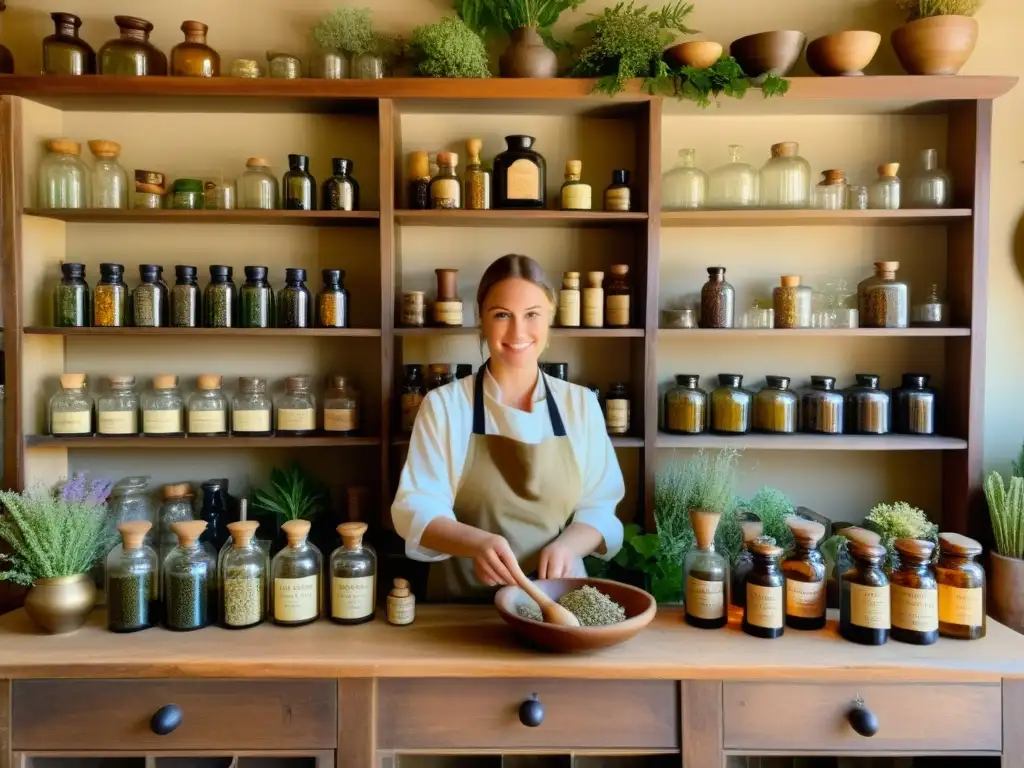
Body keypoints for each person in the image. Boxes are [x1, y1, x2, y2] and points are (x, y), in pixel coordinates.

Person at [391, 254, 625, 602]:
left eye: (532, 314)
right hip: (462, 612)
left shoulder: (581, 406)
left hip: (555, 603)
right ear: (481, 321)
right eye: (502, 315)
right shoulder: (444, 406)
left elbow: (599, 508)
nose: (518, 332)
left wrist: (568, 547)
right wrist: (476, 543)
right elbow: (417, 508)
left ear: (550, 319)